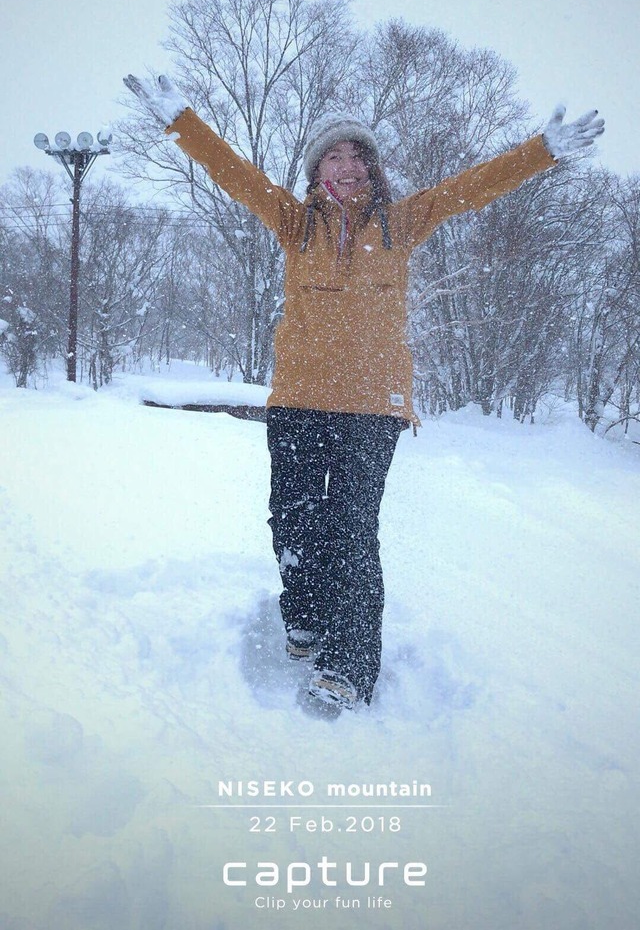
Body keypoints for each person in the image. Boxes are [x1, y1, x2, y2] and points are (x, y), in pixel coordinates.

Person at [124, 75, 604, 711]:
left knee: (351, 528)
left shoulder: (401, 223)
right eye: (333, 155)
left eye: (357, 156)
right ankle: (304, 613)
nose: (346, 166)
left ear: (372, 168)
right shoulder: (295, 225)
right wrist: (182, 122)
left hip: (372, 405)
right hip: (298, 398)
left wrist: (543, 150)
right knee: (294, 518)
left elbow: (470, 189)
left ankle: (347, 666)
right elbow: (235, 175)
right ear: (317, 168)